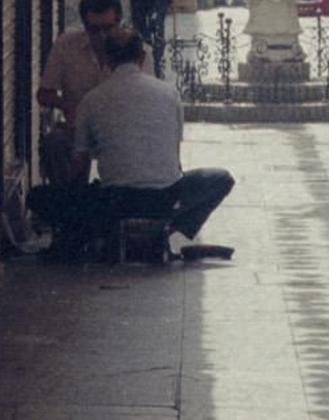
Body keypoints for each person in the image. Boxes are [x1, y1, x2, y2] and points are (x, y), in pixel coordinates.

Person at [32, 28, 235, 260]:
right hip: (164, 201)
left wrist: (72, 198)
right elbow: (174, 156)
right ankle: (168, 231)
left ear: (106, 59)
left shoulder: (92, 100)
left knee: (38, 197)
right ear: (141, 57)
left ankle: (89, 234)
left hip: (114, 203)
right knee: (221, 178)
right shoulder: (169, 94)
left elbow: (79, 164)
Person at [35, 0, 122, 183]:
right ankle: (71, 200)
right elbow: (44, 93)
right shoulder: (66, 46)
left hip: (120, 130)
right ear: (84, 26)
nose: (102, 36)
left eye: (108, 29)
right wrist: (67, 106)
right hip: (78, 127)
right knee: (54, 143)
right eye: (94, 30)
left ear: (119, 22)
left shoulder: (135, 48)